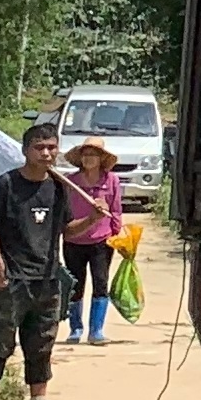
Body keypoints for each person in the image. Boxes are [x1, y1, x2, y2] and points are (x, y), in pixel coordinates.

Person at [0, 119, 72, 400]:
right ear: (25, 150)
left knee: (41, 347)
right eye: (40, 147)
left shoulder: (60, 187)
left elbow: (67, 230)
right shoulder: (5, 185)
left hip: (47, 280)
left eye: (51, 147)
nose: (46, 153)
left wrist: (94, 219)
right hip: (13, 279)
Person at [58, 139, 125, 343]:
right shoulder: (71, 181)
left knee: (100, 283)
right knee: (75, 285)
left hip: (102, 242)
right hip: (74, 240)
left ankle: (96, 331)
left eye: (93, 154)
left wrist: (116, 234)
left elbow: (116, 210)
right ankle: (76, 328)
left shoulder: (111, 180)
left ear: (101, 159)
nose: (89, 158)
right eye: (85, 154)